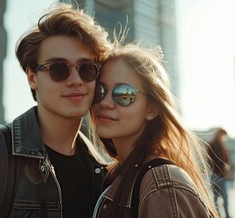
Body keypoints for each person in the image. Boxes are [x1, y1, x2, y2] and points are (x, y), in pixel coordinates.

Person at [0, 2, 111, 218]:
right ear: (32, 77)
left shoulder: (102, 174)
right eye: (58, 69)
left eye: (86, 69)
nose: (75, 80)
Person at [90, 42, 219, 218]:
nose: (104, 102)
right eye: (100, 90)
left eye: (124, 94)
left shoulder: (163, 184)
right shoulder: (115, 175)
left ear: (151, 109)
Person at [207, 128, 231, 218]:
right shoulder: (215, 145)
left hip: (215, 175)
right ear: (220, 134)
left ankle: (219, 215)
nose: (224, 138)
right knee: (223, 197)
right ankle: (225, 215)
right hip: (218, 175)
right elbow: (218, 161)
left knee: (217, 198)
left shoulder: (216, 145)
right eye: (223, 135)